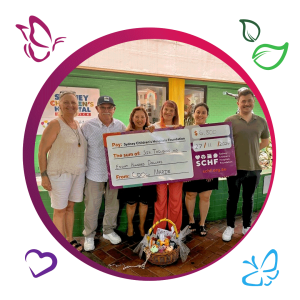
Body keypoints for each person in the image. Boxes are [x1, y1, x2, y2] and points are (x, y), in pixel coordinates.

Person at [38, 91, 87, 252]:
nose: (70, 105)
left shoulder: (77, 125)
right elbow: (42, 151)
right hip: (59, 174)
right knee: (59, 209)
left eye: (73, 102)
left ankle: (69, 239)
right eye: (66, 102)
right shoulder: (55, 124)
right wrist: (44, 175)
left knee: (70, 207)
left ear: (77, 105)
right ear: (59, 105)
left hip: (77, 174)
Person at [222, 88, 269, 242]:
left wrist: (252, 150)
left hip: (254, 168)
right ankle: (230, 227)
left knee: (248, 199)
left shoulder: (261, 121)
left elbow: (265, 141)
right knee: (232, 199)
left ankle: (246, 226)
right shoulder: (230, 121)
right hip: (234, 168)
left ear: (253, 101)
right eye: (243, 101)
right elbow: (222, 143)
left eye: (249, 100)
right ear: (238, 103)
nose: (246, 104)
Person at [81, 95, 126, 251]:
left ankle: (108, 230)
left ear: (114, 109)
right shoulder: (87, 126)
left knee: (113, 205)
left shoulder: (120, 126)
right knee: (92, 207)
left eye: (109, 107)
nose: (106, 110)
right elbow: (81, 150)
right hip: (94, 174)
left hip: (114, 174)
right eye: (103, 107)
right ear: (97, 109)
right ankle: (89, 235)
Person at [117, 107, 157, 239]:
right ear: (132, 118)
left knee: (144, 202)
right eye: (137, 117)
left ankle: (141, 226)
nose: (140, 120)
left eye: (142, 117)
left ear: (146, 119)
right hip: (131, 173)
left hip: (147, 172)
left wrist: (153, 132)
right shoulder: (125, 134)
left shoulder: (151, 132)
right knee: (131, 202)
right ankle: (130, 225)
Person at [183, 103, 218, 236]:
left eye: (203, 112)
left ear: (207, 115)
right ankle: (191, 221)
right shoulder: (186, 130)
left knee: (205, 196)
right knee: (190, 195)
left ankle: (202, 223)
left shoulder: (212, 131)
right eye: (198, 112)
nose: (200, 114)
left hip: (208, 169)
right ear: (193, 114)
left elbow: (216, 151)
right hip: (191, 168)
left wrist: (211, 170)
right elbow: (183, 150)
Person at [149, 100, 183, 233]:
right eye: (166, 109)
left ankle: (175, 231)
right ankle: (159, 232)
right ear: (162, 110)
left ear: (175, 113)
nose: (168, 112)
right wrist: (147, 131)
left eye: (171, 110)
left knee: (175, 200)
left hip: (176, 169)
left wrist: (180, 132)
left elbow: (184, 149)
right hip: (159, 169)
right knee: (160, 201)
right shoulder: (153, 127)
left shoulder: (180, 128)